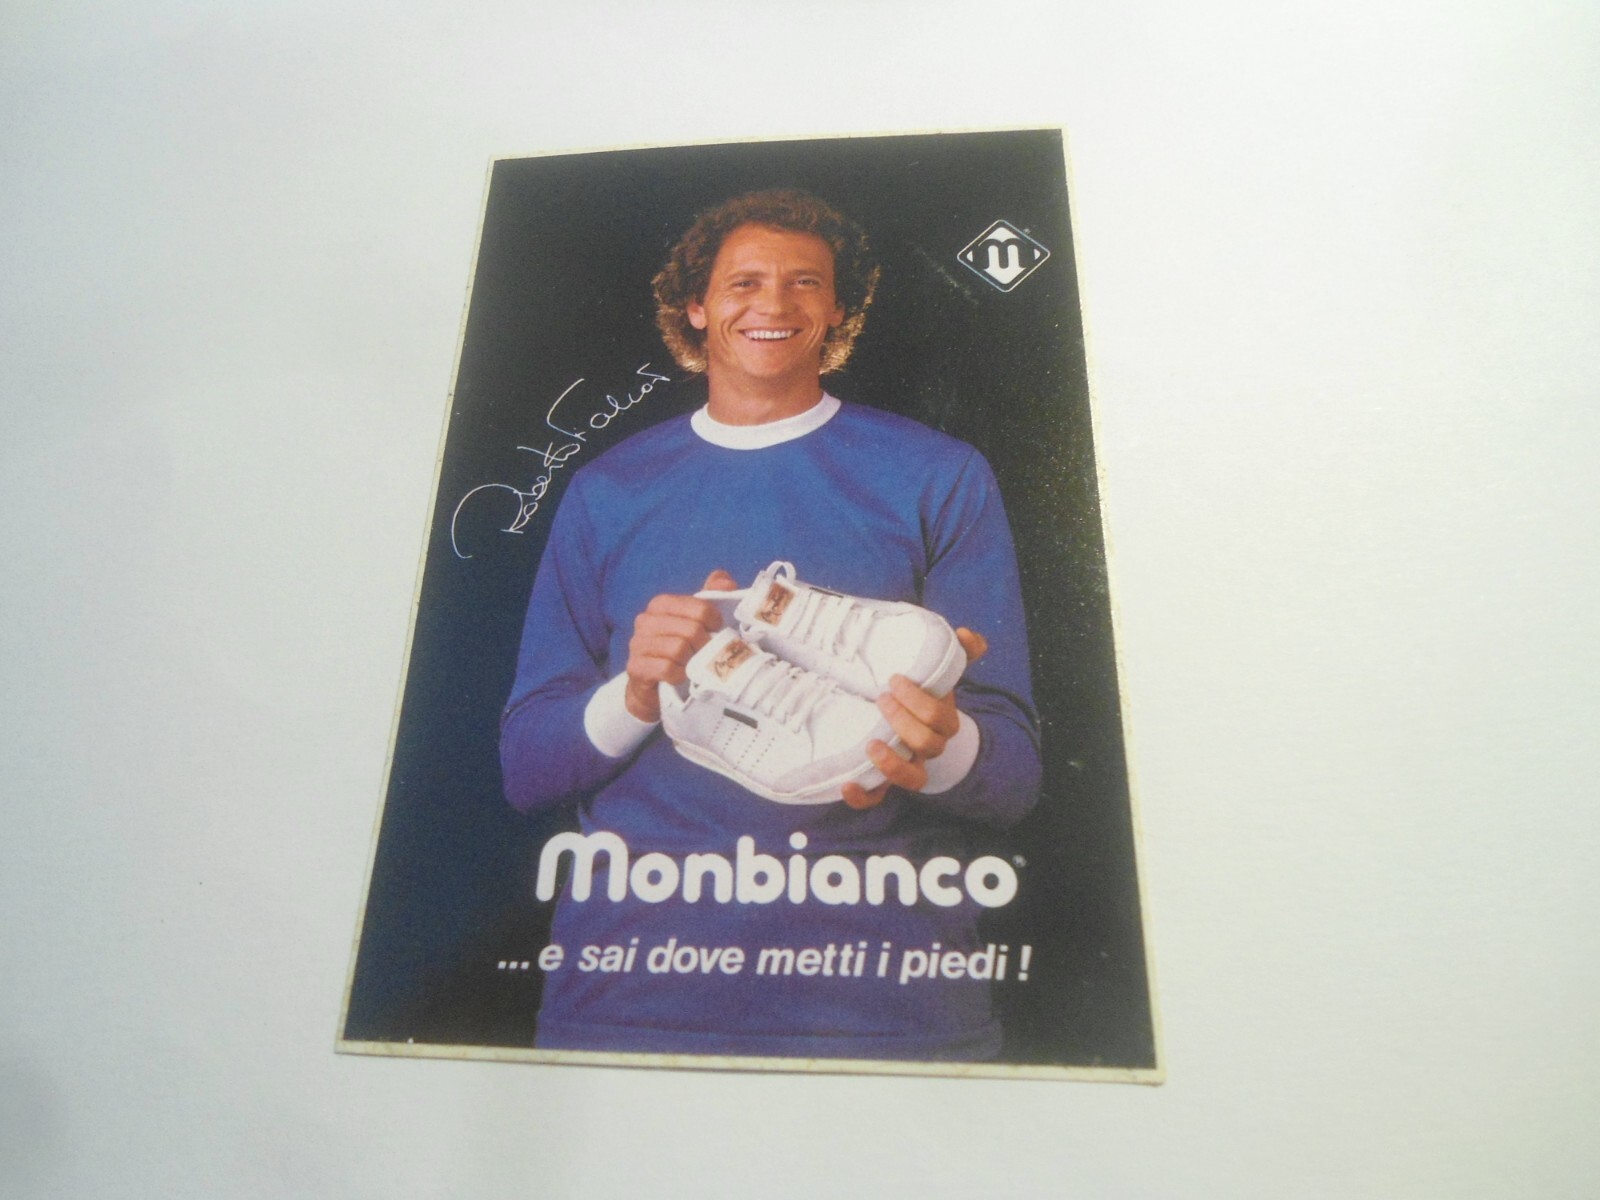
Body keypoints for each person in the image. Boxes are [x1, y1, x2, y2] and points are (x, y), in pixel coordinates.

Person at [500, 189, 1041, 1060]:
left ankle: (785, 651)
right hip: (634, 987)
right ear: (696, 305)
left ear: (838, 308)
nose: (775, 304)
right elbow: (527, 767)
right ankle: (728, 675)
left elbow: (1014, 779)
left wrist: (937, 746)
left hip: (886, 997)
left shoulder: (938, 476)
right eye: (744, 282)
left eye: (805, 282)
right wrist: (637, 693)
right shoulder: (609, 491)